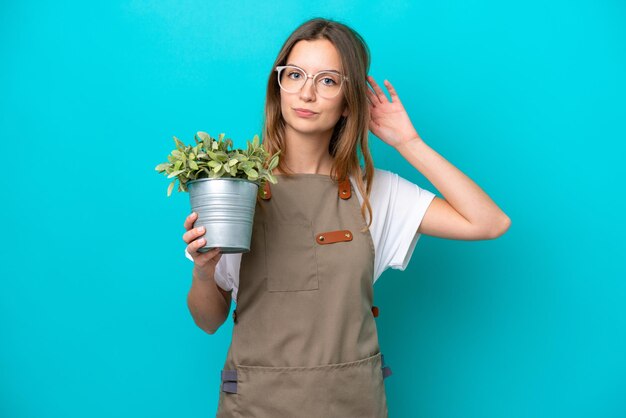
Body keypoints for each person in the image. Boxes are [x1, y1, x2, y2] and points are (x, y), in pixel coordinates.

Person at [183, 17, 511, 418]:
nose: (307, 92)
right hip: (254, 406)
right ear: (278, 86)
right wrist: (203, 271)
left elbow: (489, 222)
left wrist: (408, 143)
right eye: (296, 75)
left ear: (347, 101)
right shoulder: (234, 189)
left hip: (351, 405)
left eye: (327, 81)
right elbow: (208, 320)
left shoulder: (375, 192)